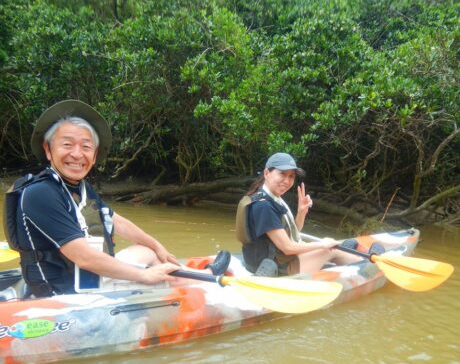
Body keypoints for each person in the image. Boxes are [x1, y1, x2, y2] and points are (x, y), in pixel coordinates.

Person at [6, 99, 230, 297]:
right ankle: (206, 277)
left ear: (94, 156)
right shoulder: (41, 193)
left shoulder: (80, 188)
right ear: (48, 149)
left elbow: (116, 221)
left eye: (85, 147)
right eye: (67, 144)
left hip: (88, 278)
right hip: (65, 293)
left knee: (147, 251)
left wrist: (158, 246)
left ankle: (196, 275)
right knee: (153, 274)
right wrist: (145, 276)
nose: (76, 154)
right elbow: (84, 257)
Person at [236, 152, 379, 276]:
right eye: (282, 174)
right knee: (330, 251)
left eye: (291, 176)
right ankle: (368, 264)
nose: (287, 181)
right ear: (267, 173)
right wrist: (322, 245)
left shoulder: (268, 197)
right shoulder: (264, 206)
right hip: (279, 269)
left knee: (329, 247)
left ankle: (355, 256)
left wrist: (301, 212)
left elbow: (292, 233)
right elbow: (288, 247)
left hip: (271, 261)